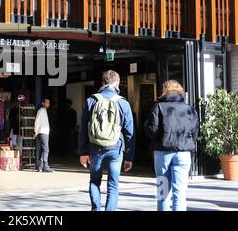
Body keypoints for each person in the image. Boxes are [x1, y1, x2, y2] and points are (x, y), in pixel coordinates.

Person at [79, 70, 135, 211]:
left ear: (103, 83)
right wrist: (129, 157)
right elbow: (130, 133)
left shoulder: (91, 100)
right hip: (115, 148)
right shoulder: (123, 103)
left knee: (94, 181)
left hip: (95, 147)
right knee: (113, 184)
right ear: (116, 83)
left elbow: (83, 130)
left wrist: (83, 152)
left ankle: (96, 209)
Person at [145, 80, 199, 211]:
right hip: (183, 152)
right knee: (179, 193)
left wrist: (147, 125)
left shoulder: (158, 107)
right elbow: (195, 131)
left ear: (165, 90)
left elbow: (151, 131)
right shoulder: (189, 109)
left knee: (162, 192)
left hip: (163, 153)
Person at [35, 98, 53, 173]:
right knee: (46, 149)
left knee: (44, 149)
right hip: (43, 132)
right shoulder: (41, 111)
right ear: (43, 103)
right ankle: (45, 166)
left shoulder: (44, 111)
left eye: (49, 102)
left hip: (44, 132)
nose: (48, 104)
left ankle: (41, 166)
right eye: (47, 102)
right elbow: (37, 121)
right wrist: (35, 132)